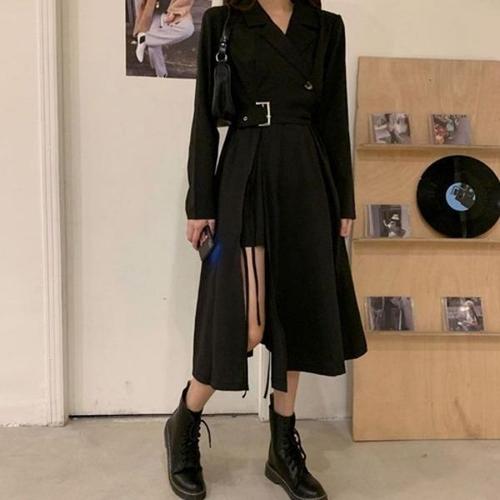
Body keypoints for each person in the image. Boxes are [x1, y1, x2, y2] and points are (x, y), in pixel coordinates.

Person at [164, 0, 368, 498]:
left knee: (295, 314)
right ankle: (185, 419)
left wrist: (343, 199)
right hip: (246, 171)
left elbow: (333, 116)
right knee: (245, 324)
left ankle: (282, 447)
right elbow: (203, 117)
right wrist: (200, 202)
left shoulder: (326, 27)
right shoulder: (224, 21)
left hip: (306, 175)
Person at [133, 0, 196, 77]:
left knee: (188, 28)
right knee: (153, 39)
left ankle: (144, 39)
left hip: (176, 11)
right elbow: (140, 8)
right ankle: (161, 74)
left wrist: (174, 12)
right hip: (153, 14)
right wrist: (141, 27)